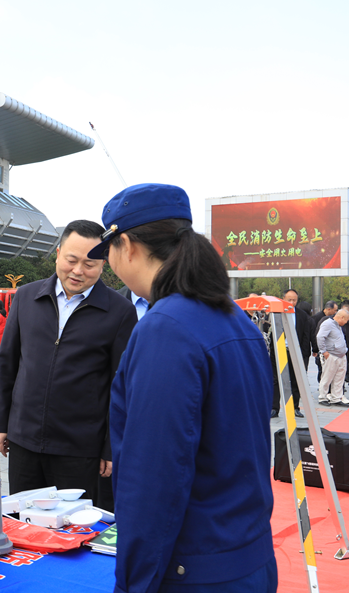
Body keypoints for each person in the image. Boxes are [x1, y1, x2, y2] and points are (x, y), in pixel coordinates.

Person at [91, 183, 276, 592]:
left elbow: (153, 477)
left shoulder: (165, 328)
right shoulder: (237, 321)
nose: (110, 267)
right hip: (249, 555)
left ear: (127, 245)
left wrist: (134, 582)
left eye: (109, 254)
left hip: (193, 569)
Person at [0, 220, 136, 510]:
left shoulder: (119, 312)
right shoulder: (26, 297)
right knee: (23, 521)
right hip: (23, 441)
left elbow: (120, 385)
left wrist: (110, 446)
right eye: (71, 260)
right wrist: (1, 425)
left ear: (103, 264)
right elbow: (8, 364)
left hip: (80, 449)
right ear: (58, 254)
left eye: (90, 263)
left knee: (74, 530)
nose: (78, 271)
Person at [271, 289, 312, 418]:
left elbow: (306, 335)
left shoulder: (302, 315)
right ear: (283, 299)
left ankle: (294, 407)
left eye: (294, 300)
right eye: (289, 299)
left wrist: (304, 355)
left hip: (295, 351)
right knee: (276, 380)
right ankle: (274, 408)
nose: (292, 302)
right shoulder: (275, 312)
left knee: (296, 380)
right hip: (279, 351)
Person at [316, 309, 349, 406]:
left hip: (341, 355)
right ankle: (322, 397)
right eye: (346, 320)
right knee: (327, 377)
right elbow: (320, 337)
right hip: (331, 355)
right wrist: (324, 352)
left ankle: (336, 398)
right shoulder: (328, 324)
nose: (346, 322)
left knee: (339, 378)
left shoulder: (338, 325)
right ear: (341, 317)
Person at [311, 301, 338, 381]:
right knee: (321, 368)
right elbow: (315, 334)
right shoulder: (317, 318)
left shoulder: (333, 318)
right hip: (321, 348)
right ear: (329, 309)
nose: (335, 312)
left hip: (330, 348)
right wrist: (315, 348)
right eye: (335, 310)